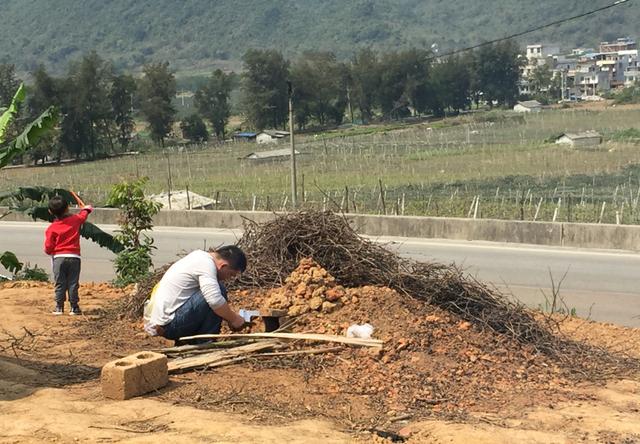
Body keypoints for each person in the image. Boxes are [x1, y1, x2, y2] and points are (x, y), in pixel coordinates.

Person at [143, 246, 249, 344]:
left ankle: (189, 342)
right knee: (217, 291)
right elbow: (214, 300)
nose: (228, 278)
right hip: (170, 325)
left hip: (167, 321)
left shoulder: (199, 256)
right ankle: (205, 343)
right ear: (223, 266)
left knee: (214, 291)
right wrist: (234, 319)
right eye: (231, 274)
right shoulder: (206, 264)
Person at [44, 195, 93, 315]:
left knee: (60, 283)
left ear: (50, 212)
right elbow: (83, 215)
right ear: (67, 209)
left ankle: (59, 307)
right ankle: (74, 307)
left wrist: (49, 251)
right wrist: (87, 209)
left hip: (59, 258)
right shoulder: (75, 220)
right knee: (73, 283)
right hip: (74, 257)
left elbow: (48, 247)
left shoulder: (52, 228)